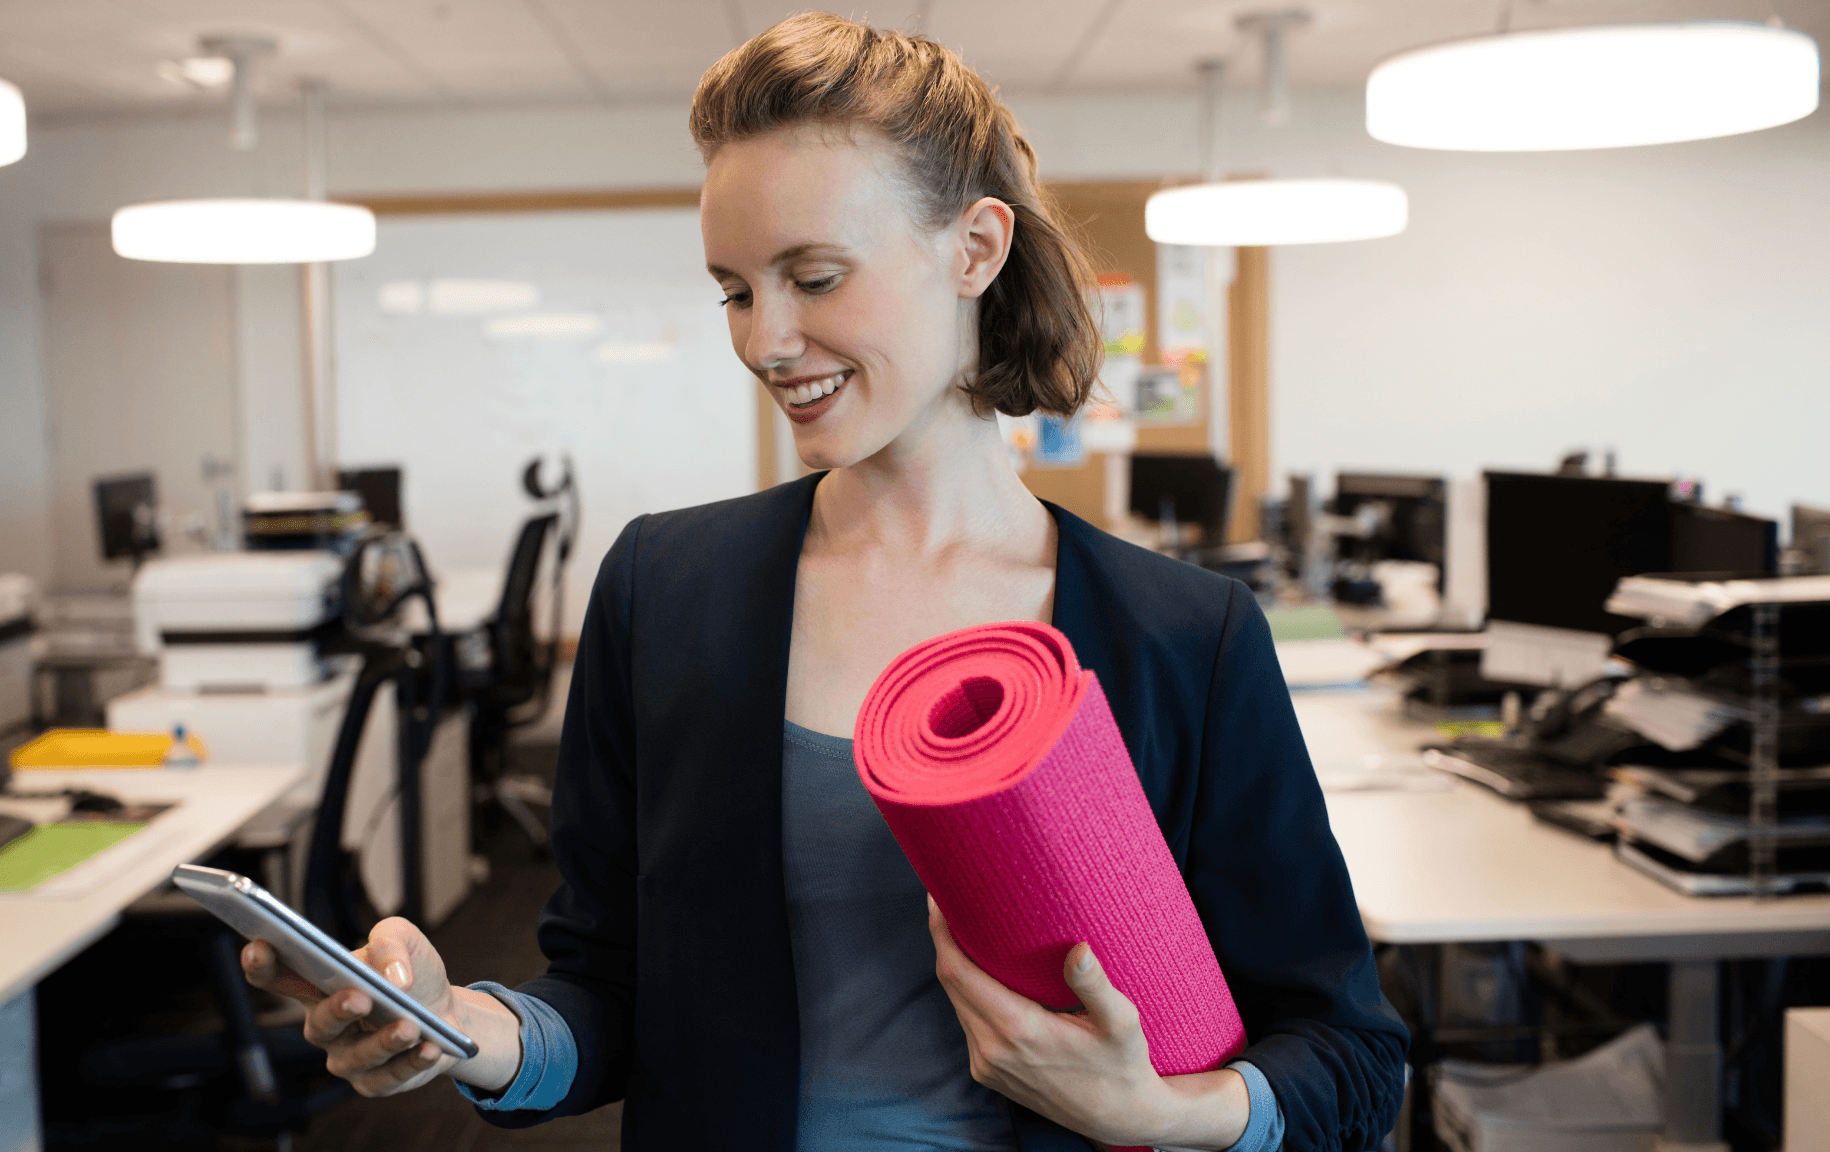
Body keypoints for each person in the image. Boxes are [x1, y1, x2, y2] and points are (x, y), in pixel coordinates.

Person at [242, 13, 1406, 1151]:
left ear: (975, 250)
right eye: (736, 290)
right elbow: (603, 990)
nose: (764, 339)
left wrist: (1164, 1116)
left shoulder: (1183, 636)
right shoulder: (665, 590)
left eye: (814, 275)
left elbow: (1346, 1052)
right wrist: (460, 1029)